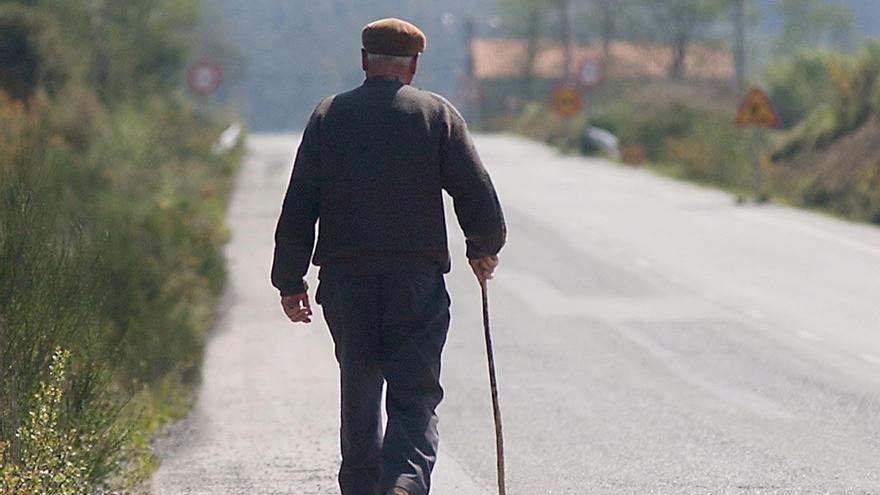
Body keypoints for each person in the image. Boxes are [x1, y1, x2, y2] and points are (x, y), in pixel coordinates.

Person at [271, 17, 506, 495]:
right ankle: (403, 482)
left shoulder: (328, 116)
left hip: (346, 284)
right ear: (414, 65)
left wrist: (290, 280)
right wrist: (483, 246)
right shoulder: (435, 115)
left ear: (363, 60)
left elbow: (300, 202)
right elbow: (476, 193)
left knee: (358, 393)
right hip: (415, 284)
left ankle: (361, 488)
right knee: (414, 397)